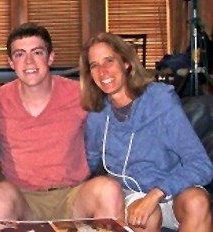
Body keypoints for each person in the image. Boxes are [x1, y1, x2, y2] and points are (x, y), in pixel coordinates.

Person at [0, 23, 125, 221]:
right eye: (19, 54)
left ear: (51, 57)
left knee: (108, 189)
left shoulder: (79, 94)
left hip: (73, 196)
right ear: (10, 62)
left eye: (37, 52)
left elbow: (119, 115)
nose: (29, 61)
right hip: (24, 200)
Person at [80, 32, 213, 232]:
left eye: (109, 60)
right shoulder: (97, 116)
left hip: (172, 189)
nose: (103, 71)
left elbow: (201, 164)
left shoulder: (160, 101)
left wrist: (157, 193)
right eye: (94, 65)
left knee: (198, 202)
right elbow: (87, 166)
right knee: (145, 216)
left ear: (126, 63)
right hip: (131, 194)